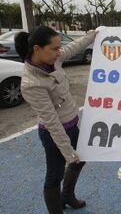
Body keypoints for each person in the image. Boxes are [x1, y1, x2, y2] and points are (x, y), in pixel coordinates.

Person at [15, 26, 97, 214]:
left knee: (81, 159)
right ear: (37, 49)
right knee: (55, 175)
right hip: (53, 134)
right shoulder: (31, 84)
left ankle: (67, 196)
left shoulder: (54, 59)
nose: (59, 52)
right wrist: (68, 151)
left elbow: (75, 46)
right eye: (54, 48)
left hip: (72, 124)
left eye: (59, 48)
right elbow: (52, 122)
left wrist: (95, 34)